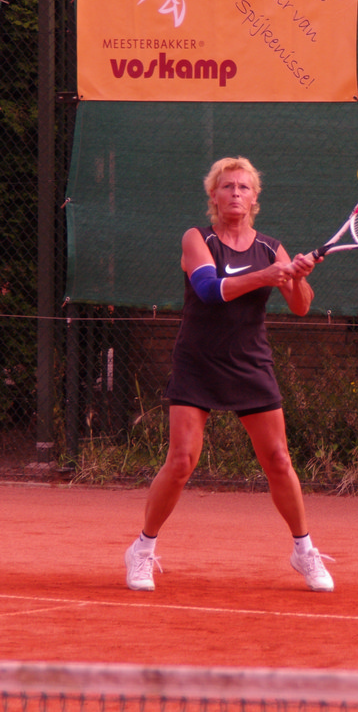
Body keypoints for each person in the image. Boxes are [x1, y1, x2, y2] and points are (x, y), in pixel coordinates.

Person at [123, 156, 334, 592]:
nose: (236, 193)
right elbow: (208, 290)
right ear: (213, 196)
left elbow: (300, 306)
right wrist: (267, 276)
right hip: (198, 361)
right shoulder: (196, 238)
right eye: (227, 186)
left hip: (249, 362)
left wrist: (296, 278)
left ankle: (304, 550)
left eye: (243, 187)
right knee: (181, 461)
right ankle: (142, 550)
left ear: (255, 198)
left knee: (278, 460)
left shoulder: (270, 247)